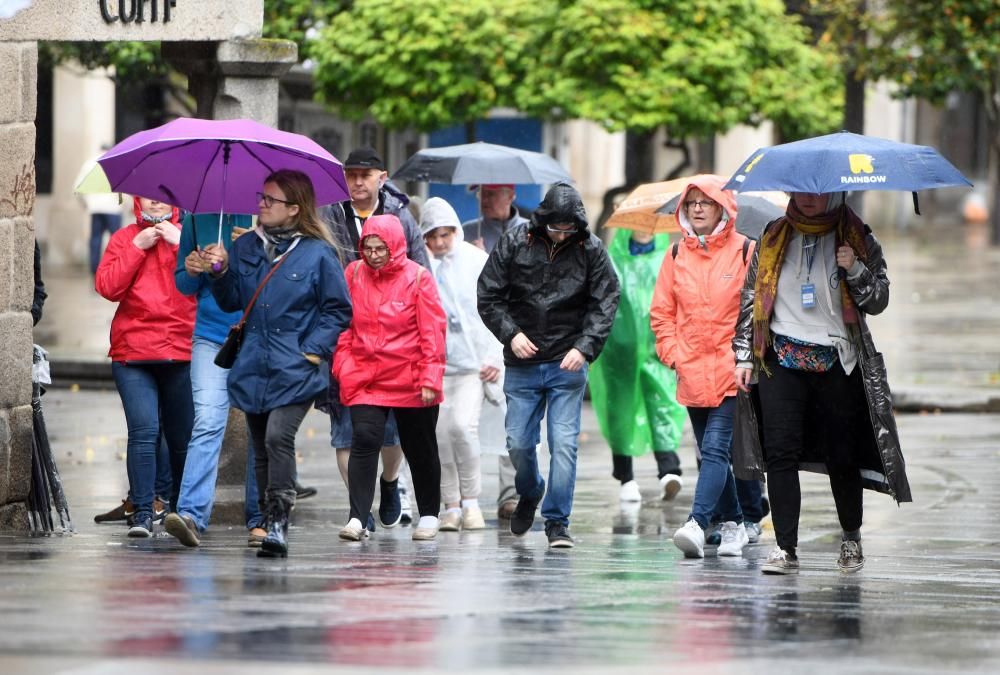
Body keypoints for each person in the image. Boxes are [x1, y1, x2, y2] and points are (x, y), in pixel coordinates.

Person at [732, 191, 912, 574]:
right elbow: (751, 297)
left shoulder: (856, 236)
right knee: (779, 452)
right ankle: (785, 548)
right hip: (781, 357)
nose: (809, 199)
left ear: (833, 194)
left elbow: (878, 299)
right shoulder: (773, 235)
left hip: (838, 360)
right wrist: (744, 355)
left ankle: (850, 536)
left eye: (818, 193)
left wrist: (856, 269)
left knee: (841, 454)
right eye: (801, 191)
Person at [203, 169, 352, 558]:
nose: (261, 204)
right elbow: (232, 299)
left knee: (277, 437)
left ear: (294, 209)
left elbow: (338, 309)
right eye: (261, 197)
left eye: (270, 200)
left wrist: (314, 350)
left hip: (297, 366)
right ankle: (268, 522)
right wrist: (219, 272)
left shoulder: (318, 253)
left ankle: (279, 522)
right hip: (254, 363)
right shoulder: (247, 246)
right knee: (260, 447)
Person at [478, 182, 620, 548]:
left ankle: (558, 522)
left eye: (567, 229)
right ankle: (530, 490)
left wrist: (585, 347)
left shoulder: (591, 249)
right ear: (542, 221)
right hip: (523, 359)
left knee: (564, 443)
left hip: (567, 363)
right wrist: (511, 334)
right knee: (518, 443)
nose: (560, 234)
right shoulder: (516, 241)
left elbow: (606, 300)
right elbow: (488, 293)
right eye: (555, 227)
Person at [320, 147, 430, 528]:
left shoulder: (400, 215)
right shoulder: (328, 214)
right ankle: (359, 512)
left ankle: (389, 480)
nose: (357, 181)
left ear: (382, 177)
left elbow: (421, 274)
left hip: (396, 346)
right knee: (346, 431)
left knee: (391, 433)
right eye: (351, 174)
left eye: (365, 174)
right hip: (346, 338)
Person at [650, 176, 753, 560]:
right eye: (690, 202)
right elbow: (661, 312)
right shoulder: (676, 255)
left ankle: (697, 521)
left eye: (704, 202)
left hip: (733, 371)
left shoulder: (745, 251)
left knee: (713, 449)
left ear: (722, 207)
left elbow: (756, 310)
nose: (696, 208)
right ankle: (735, 525)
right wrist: (673, 352)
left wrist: (746, 357)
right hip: (691, 370)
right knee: (713, 454)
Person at [333, 214, 447, 542]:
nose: (374, 254)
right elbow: (343, 324)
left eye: (380, 248)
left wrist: (430, 377)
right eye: (367, 248)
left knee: (420, 446)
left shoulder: (418, 278)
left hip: (410, 377)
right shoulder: (353, 274)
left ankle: (429, 513)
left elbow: (432, 331)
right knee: (364, 440)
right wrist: (343, 364)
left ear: (395, 245)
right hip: (365, 375)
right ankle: (357, 516)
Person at [163, 212, 267, 548]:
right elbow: (183, 283)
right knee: (207, 420)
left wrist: (253, 245)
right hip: (211, 334)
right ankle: (191, 513)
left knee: (260, 426)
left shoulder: (267, 217)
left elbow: (280, 277)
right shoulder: (196, 219)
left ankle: (261, 517)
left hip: (259, 334)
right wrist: (192, 270)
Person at [95, 195, 196, 537]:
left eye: (164, 197)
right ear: (137, 201)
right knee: (144, 431)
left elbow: (212, 285)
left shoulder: (189, 237)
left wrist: (184, 245)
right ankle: (141, 511)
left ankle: (181, 510)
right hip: (132, 351)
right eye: (148, 197)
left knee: (181, 437)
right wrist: (137, 246)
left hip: (180, 349)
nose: (155, 203)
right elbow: (107, 287)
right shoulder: (125, 237)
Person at [420, 197, 503, 532]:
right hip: (437, 365)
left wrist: (495, 354)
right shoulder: (422, 265)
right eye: (432, 236)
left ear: (455, 230)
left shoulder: (476, 260)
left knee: (461, 428)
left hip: (472, 364)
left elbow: (498, 307)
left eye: (445, 234)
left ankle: (471, 501)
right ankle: (450, 504)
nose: (439, 243)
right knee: (439, 435)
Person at [589, 229, 687, 504]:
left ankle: (669, 469)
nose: (644, 228)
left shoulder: (668, 259)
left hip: (658, 350)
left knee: (663, 404)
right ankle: (626, 477)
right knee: (620, 411)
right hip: (618, 352)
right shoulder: (612, 260)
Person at [462, 183, 529, 520]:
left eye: (493, 194)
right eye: (482, 195)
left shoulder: (530, 233)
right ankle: (464, 495)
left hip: (517, 334)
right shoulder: (465, 233)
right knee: (467, 421)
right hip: (475, 337)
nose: (486, 200)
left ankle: (511, 493)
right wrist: (472, 258)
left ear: (511, 195)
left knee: (512, 415)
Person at [76, 155, 124, 276]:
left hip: (95, 207)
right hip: (113, 208)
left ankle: (94, 270)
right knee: (117, 239)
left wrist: (86, 204)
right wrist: (125, 205)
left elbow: (77, 187)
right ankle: (116, 267)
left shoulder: (90, 163)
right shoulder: (116, 161)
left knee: (95, 239)